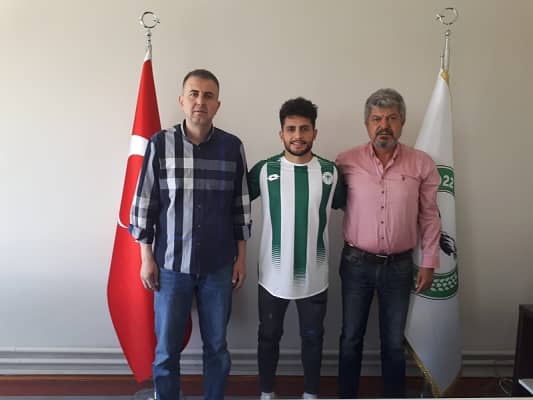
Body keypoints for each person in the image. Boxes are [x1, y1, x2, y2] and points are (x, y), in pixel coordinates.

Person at [129, 69, 251, 400]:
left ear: (217, 105)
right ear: (182, 101)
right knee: (166, 350)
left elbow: (240, 208)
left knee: (217, 347)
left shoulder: (232, 147)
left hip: (219, 266)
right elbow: (144, 205)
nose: (200, 101)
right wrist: (146, 258)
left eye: (208, 96)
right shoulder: (159, 144)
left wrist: (241, 258)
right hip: (170, 266)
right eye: (194, 94)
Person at [336, 88, 441, 398]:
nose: (384, 125)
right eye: (377, 119)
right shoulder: (345, 161)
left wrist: (429, 262)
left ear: (402, 123)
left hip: (400, 266)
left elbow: (430, 216)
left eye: (392, 118)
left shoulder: (422, 164)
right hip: (356, 264)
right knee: (350, 338)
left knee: (394, 343)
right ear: (367, 124)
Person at [248, 97, 345, 400]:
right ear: (281, 134)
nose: (298, 136)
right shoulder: (264, 170)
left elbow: (352, 209)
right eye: (291, 129)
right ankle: (267, 393)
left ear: (315, 132)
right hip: (272, 276)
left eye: (304, 129)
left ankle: (310, 394)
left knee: (313, 338)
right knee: (268, 336)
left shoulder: (331, 173)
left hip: (315, 275)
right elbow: (234, 206)